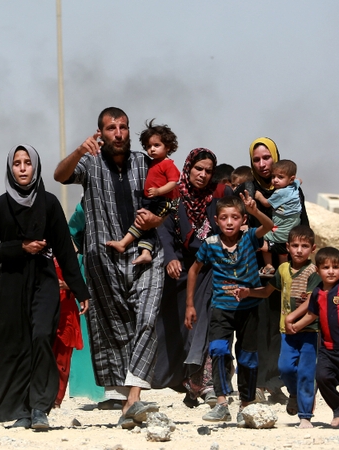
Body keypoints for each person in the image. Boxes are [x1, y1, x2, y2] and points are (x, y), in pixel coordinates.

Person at [54, 107, 165, 429]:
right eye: (111, 127)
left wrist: (159, 218)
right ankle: (127, 398)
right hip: (103, 260)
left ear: (129, 131)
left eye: (123, 127)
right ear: (100, 133)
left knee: (147, 319)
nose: (118, 132)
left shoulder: (146, 165)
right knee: (117, 329)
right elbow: (60, 176)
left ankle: (133, 398)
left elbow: (171, 198)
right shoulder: (89, 163)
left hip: (145, 254)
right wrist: (78, 150)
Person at [0, 144, 89, 430]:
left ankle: (40, 407)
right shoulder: (0, 206)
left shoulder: (49, 203)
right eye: (17, 163)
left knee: (41, 337)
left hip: (44, 280)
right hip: (12, 284)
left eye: (28, 162)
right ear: (10, 168)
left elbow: (65, 249)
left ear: (36, 167)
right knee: (18, 344)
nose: (23, 168)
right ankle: (22, 411)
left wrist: (80, 291)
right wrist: (21, 247)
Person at [185, 193, 275, 425]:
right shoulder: (211, 244)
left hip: (249, 308)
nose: (229, 222)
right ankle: (222, 402)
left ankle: (246, 403)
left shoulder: (249, 238)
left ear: (243, 220)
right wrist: (190, 304)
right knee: (218, 352)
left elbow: (268, 225)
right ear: (216, 220)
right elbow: (194, 270)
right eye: (224, 217)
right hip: (221, 309)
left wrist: (255, 211)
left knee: (248, 357)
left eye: (235, 217)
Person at [233, 137, 309, 403]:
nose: (263, 164)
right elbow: (233, 221)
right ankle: (252, 384)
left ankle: (275, 382)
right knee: (252, 326)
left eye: (267, 158)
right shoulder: (246, 188)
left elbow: (302, 225)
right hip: (250, 265)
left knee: (278, 322)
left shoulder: (291, 188)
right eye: (257, 159)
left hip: (283, 265)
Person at [152, 148, 230, 407]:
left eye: (208, 171)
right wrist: (171, 257)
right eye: (199, 169)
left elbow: (237, 214)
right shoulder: (174, 196)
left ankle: (205, 383)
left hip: (211, 270)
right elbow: (163, 230)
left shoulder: (219, 195)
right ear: (188, 168)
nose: (203, 175)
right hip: (183, 270)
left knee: (207, 323)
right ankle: (183, 379)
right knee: (177, 327)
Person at [235, 225, 320, 428]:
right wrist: (249, 292)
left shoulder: (313, 273)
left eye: (305, 246)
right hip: (287, 332)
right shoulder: (282, 270)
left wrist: (294, 321)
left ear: (313, 248)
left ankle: (305, 415)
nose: (299, 250)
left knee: (307, 372)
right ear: (287, 247)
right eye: (295, 245)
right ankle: (294, 393)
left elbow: (310, 303)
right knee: (285, 368)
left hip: (309, 330)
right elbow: (266, 292)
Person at [291, 247, 339, 429]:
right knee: (322, 377)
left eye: (335, 267)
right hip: (326, 347)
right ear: (317, 270)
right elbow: (312, 314)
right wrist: (296, 325)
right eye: (326, 267)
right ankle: (338, 407)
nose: (331, 271)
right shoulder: (317, 292)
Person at [106, 120, 180, 264]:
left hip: (162, 201)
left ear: (168, 146)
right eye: (148, 146)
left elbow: (173, 182)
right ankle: (145, 251)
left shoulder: (168, 164)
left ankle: (124, 243)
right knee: (145, 225)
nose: (152, 149)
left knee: (144, 223)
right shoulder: (152, 162)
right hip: (151, 199)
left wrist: (159, 191)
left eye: (156, 145)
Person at [66, 202, 108, 406]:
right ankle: (95, 389)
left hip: (118, 268)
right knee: (88, 328)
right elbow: (73, 230)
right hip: (92, 269)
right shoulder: (86, 205)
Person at [256, 160, 302, 276]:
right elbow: (300, 181)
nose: (275, 180)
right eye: (273, 176)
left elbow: (266, 203)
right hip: (292, 228)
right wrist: (297, 181)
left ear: (290, 179)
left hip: (281, 226)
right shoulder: (294, 186)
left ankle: (269, 266)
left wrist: (259, 196)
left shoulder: (280, 192)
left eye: (280, 177)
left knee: (263, 238)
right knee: (283, 253)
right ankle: (284, 273)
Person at [53, 258, 85, 408]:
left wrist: (68, 285)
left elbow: (83, 284)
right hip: (46, 310)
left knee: (62, 359)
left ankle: (57, 398)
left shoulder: (71, 260)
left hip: (66, 313)